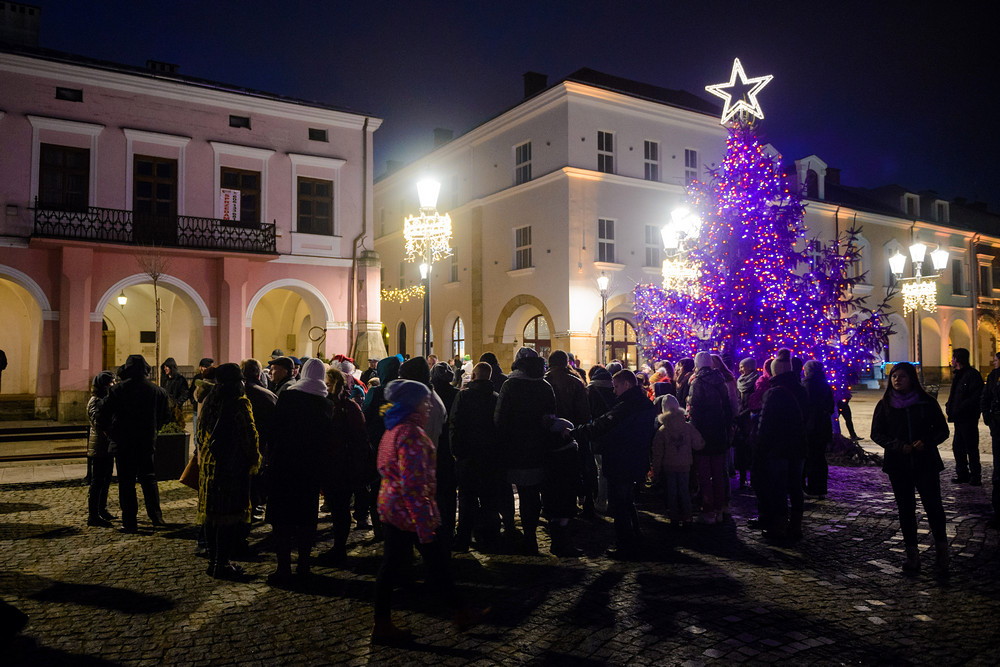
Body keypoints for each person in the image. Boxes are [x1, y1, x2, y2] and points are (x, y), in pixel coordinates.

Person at [372, 379, 485, 644]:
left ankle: (460, 611)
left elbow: (384, 468)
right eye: (424, 401)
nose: (428, 405)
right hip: (409, 513)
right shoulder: (411, 434)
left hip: (394, 507)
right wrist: (424, 524)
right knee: (426, 564)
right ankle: (384, 624)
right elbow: (414, 484)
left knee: (421, 565)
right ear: (413, 403)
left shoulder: (394, 429)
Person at [870, 362, 950, 574]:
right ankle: (912, 555)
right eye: (894, 376)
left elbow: (942, 430)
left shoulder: (926, 403)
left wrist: (926, 441)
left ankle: (942, 552)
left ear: (911, 379)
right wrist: (897, 446)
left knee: (933, 507)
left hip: (926, 463)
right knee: (906, 510)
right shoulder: (885, 404)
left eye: (902, 376)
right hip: (899, 465)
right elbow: (877, 433)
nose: (897, 380)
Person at [266, 359, 339, 583]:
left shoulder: (289, 396)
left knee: (282, 520)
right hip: (310, 470)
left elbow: (274, 430)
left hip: (284, 467)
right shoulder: (325, 403)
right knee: (307, 519)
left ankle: (283, 567)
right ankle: (304, 565)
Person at [571, 370, 656, 559]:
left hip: (621, 459)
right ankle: (634, 537)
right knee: (627, 501)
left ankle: (625, 544)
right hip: (636, 458)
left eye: (616, 386)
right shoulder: (644, 404)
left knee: (620, 503)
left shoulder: (626, 406)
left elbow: (601, 425)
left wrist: (574, 432)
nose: (614, 391)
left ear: (626, 384)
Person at [196, 363, 261, 580]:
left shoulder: (209, 401)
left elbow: (200, 435)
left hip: (209, 467)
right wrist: (254, 461)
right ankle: (222, 564)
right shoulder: (240, 403)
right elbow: (249, 435)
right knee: (228, 517)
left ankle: (213, 562)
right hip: (231, 468)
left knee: (212, 516)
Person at [98, 354, 170, 532]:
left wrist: (110, 432)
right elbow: (166, 416)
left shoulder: (118, 390)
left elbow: (103, 416)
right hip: (146, 441)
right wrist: (154, 428)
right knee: (149, 479)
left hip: (123, 442)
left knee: (126, 482)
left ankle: (129, 521)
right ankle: (156, 517)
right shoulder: (157, 391)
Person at [495, 347, 556, 555]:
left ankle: (514, 531)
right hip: (539, 447)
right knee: (532, 493)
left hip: (514, 447)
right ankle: (531, 536)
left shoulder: (511, 385)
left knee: (516, 490)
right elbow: (551, 416)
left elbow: (500, 418)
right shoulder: (545, 385)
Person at [755, 348, 808, 540]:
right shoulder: (801, 389)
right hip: (798, 446)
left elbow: (766, 424)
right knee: (795, 487)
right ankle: (795, 526)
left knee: (777, 487)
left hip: (778, 449)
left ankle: (778, 526)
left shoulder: (773, 393)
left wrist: (760, 447)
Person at [449, 362, 502, 552]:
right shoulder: (496, 398)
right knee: (489, 498)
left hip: (467, 456)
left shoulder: (464, 396)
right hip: (490, 456)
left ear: (474, 376)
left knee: (466, 499)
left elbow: (455, 424)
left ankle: (463, 538)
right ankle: (489, 537)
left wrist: (456, 451)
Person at [324, 365, 368, 562]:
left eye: (329, 384)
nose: (326, 388)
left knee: (341, 508)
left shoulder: (347, 407)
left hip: (343, 465)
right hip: (333, 464)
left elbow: (359, 438)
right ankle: (338, 545)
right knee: (337, 507)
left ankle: (339, 547)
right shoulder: (327, 405)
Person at [687, 351, 734, 524]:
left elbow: (696, 410)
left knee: (705, 474)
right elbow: (727, 406)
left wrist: (694, 431)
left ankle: (708, 511)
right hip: (719, 432)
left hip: (704, 433)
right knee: (719, 472)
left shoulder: (698, 382)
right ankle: (721, 508)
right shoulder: (720, 379)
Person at [651, 394, 704, 528]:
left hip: (669, 465)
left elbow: (657, 452)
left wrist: (655, 470)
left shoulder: (662, 430)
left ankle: (674, 517)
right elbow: (699, 443)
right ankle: (687, 516)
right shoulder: (687, 427)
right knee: (684, 491)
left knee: (672, 492)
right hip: (685, 464)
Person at [945, 347, 983, 486]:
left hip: (968, 417)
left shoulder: (972, 375)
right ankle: (963, 473)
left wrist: (959, 408)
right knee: (958, 447)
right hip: (959, 418)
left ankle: (975, 475)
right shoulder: (959, 375)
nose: (952, 360)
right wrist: (950, 406)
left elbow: (973, 397)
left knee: (971, 447)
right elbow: (955, 394)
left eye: (953, 357)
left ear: (958, 359)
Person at [86, 371, 117, 528]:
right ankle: (93, 515)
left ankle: (102, 509)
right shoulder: (95, 401)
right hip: (99, 446)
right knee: (97, 481)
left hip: (106, 445)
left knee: (106, 479)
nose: (113, 385)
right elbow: (98, 421)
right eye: (111, 383)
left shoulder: (103, 399)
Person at [801, 360, 835, 498]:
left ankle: (811, 488)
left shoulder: (806, 384)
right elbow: (830, 407)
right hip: (823, 426)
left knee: (810, 458)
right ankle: (820, 488)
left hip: (810, 427)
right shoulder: (825, 385)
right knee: (820, 458)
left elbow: (805, 406)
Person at [980, 352, 1000, 529]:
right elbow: (985, 398)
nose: (994, 362)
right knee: (998, 472)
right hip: (998, 428)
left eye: (996, 360)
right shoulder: (993, 376)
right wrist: (988, 417)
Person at [734, 358, 760, 489]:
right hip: (740, 420)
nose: (740, 370)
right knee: (741, 450)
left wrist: (744, 412)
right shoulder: (740, 381)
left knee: (751, 449)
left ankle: (754, 478)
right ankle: (743, 478)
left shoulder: (756, 381)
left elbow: (756, 401)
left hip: (750, 419)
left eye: (742, 366)